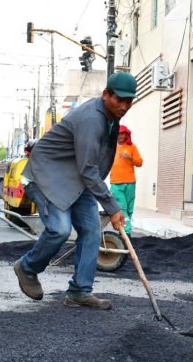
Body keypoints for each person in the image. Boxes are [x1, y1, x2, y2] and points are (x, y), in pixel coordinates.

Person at [13, 71, 136, 310]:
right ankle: (27, 267)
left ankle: (80, 291)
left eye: (128, 102)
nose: (123, 106)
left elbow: (91, 167)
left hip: (79, 180)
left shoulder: (111, 118)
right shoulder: (91, 119)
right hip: (48, 176)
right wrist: (112, 206)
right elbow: (88, 167)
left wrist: (103, 198)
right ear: (105, 95)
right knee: (59, 230)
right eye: (118, 100)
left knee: (91, 231)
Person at [109, 125, 143, 236]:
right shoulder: (111, 147)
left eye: (122, 134)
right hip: (116, 183)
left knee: (129, 209)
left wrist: (130, 158)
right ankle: (126, 232)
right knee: (121, 208)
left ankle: (124, 229)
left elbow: (139, 163)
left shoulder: (132, 147)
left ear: (126, 135)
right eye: (118, 134)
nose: (120, 136)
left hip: (130, 182)